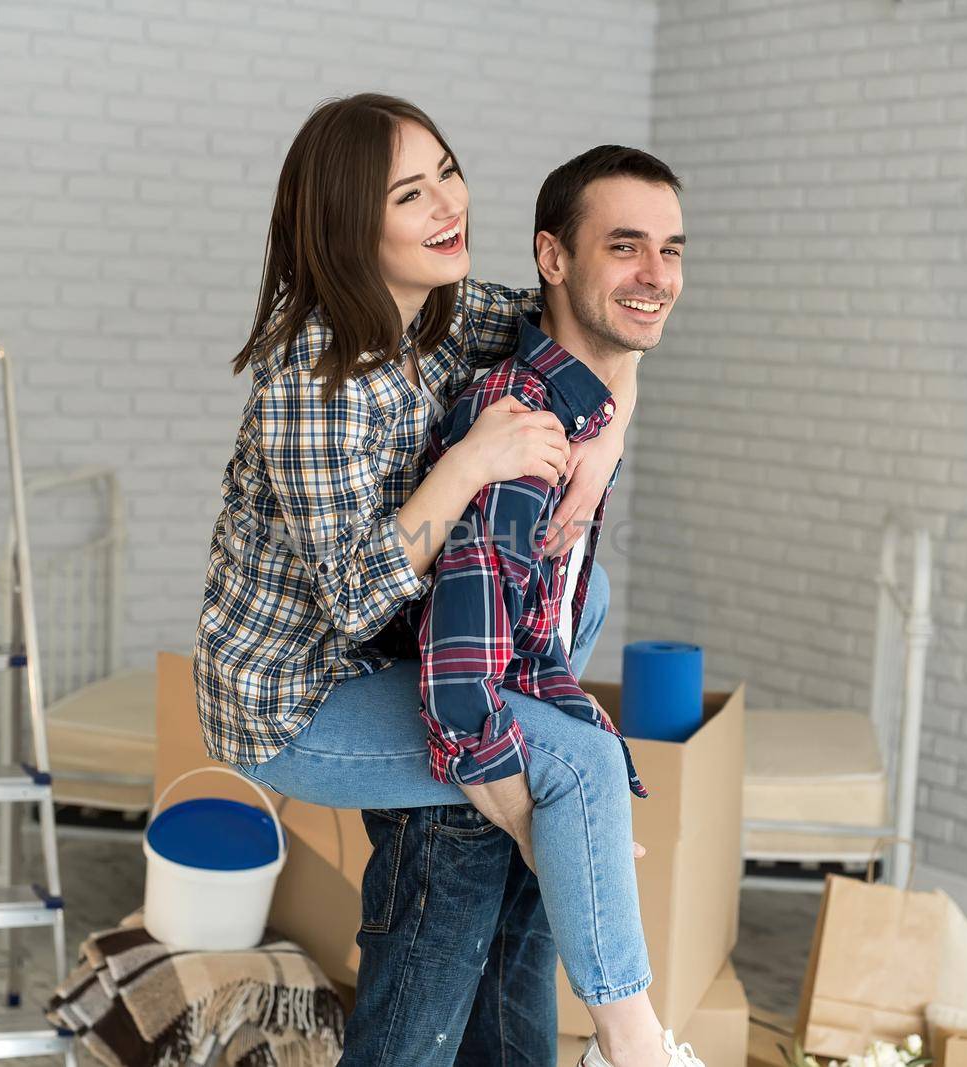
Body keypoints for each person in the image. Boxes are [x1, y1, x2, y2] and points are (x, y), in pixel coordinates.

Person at [191, 94, 693, 1067]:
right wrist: (466, 464)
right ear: (350, 225)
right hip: (300, 705)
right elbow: (361, 599)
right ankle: (631, 1046)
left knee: (576, 592)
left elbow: (599, 327)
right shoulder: (316, 385)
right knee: (569, 773)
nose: (446, 206)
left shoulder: (452, 316)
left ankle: (540, 841)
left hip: (402, 657)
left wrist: (605, 443)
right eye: (409, 195)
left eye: (448, 175)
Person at [353, 146, 692, 1067]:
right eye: (626, 246)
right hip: (466, 774)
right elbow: (459, 672)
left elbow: (537, 639)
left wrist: (615, 420)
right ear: (552, 256)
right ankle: (637, 1050)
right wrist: (550, 823)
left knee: (512, 1047)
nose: (655, 274)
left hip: (509, 744)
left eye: (671, 249)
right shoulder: (519, 425)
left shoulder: (582, 410)